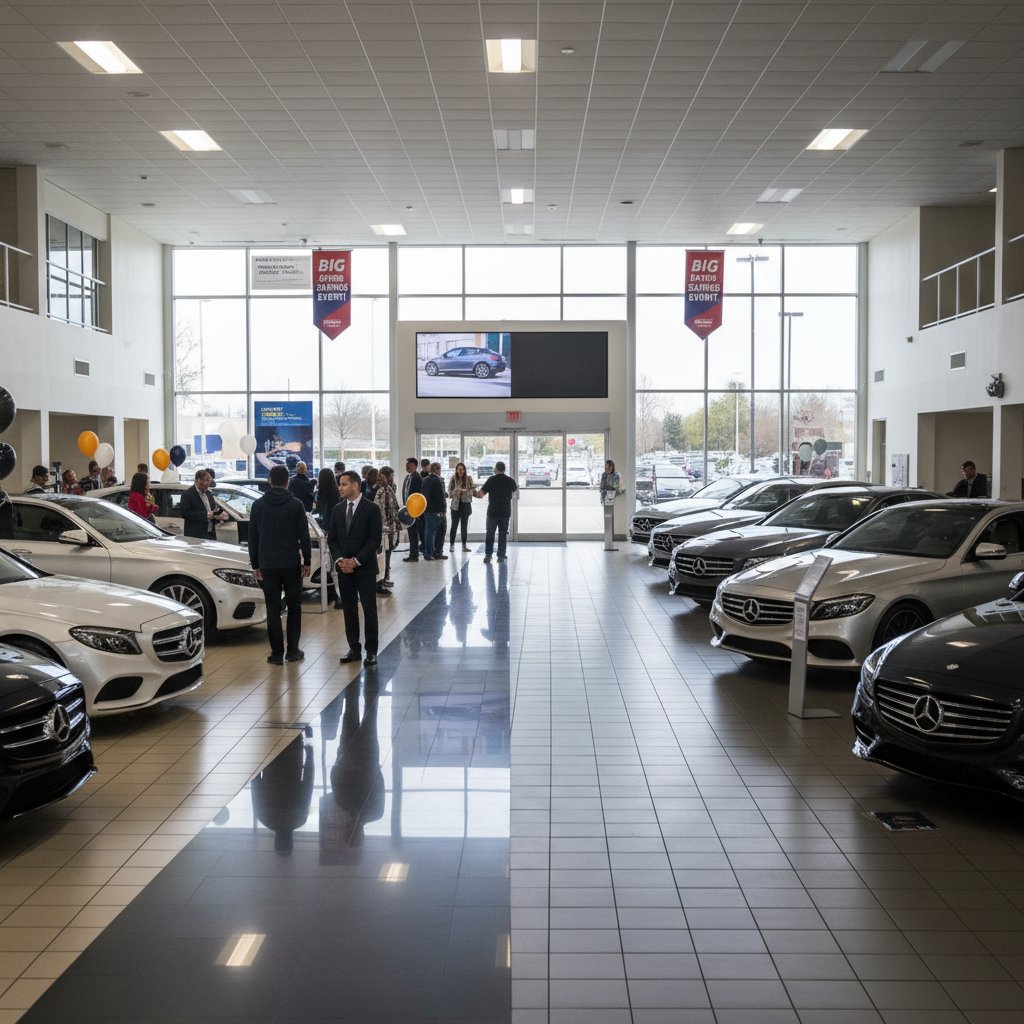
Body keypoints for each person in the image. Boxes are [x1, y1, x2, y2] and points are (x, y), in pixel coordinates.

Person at [249, 464, 312, 665]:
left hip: (268, 564)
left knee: (273, 609)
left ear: (269, 481)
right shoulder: (296, 505)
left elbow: (253, 538)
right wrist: (307, 560)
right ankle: (293, 651)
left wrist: (255, 564)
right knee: (294, 607)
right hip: (291, 564)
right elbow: (304, 535)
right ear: (287, 482)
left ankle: (277, 654)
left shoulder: (258, 505)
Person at [329, 470, 383, 667]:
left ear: (355, 485)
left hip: (365, 568)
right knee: (349, 610)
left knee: (369, 609)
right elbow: (332, 539)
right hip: (344, 569)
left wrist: (357, 561)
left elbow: (374, 539)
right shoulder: (337, 510)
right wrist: (341, 560)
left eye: (344, 484)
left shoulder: (371, 509)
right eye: (339, 484)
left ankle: (371, 651)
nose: (340, 488)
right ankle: (354, 648)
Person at [476, 460, 518, 563]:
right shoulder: (510, 481)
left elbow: (480, 495)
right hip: (505, 512)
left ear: (496, 469)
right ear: (504, 469)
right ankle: (501, 556)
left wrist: (472, 492)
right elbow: (514, 490)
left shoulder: (491, 480)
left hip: (493, 512)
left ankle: (488, 555)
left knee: (490, 534)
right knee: (502, 534)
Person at [179, 469, 226, 539]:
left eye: (209, 483)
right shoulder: (187, 494)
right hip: (196, 536)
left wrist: (218, 515)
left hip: (210, 534)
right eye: (206, 482)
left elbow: (213, 509)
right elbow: (185, 514)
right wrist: (206, 515)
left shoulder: (209, 494)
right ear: (198, 481)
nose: (207, 486)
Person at [373, 466, 399, 592]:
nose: (393, 478)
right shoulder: (382, 491)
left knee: (388, 555)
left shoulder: (389, 488)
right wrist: (385, 527)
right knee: (383, 556)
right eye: (391, 475)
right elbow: (380, 511)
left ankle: (384, 578)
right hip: (384, 529)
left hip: (390, 527)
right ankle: (379, 582)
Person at [421, 462, 446, 561]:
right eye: (439, 469)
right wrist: (442, 510)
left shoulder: (424, 480)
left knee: (428, 532)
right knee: (433, 532)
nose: (440, 471)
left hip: (426, 509)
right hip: (435, 511)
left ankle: (428, 553)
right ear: (436, 469)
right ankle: (431, 554)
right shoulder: (437, 480)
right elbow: (439, 497)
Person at [448, 462, 474, 552]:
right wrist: (456, 491)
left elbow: (473, 492)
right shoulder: (453, 479)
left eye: (462, 469)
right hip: (455, 506)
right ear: (456, 470)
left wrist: (465, 491)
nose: (460, 471)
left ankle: (464, 546)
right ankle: (452, 545)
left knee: (464, 527)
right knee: (454, 526)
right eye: (458, 469)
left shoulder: (469, 479)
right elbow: (449, 493)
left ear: (464, 470)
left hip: (465, 505)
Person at [401, 457, 423, 561]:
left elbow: (418, 495)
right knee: (411, 532)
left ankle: (414, 555)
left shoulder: (417, 478)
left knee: (413, 533)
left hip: (414, 511)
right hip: (408, 509)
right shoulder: (408, 477)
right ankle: (413, 553)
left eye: (408, 465)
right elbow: (405, 494)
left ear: (414, 466)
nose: (406, 467)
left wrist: (416, 511)